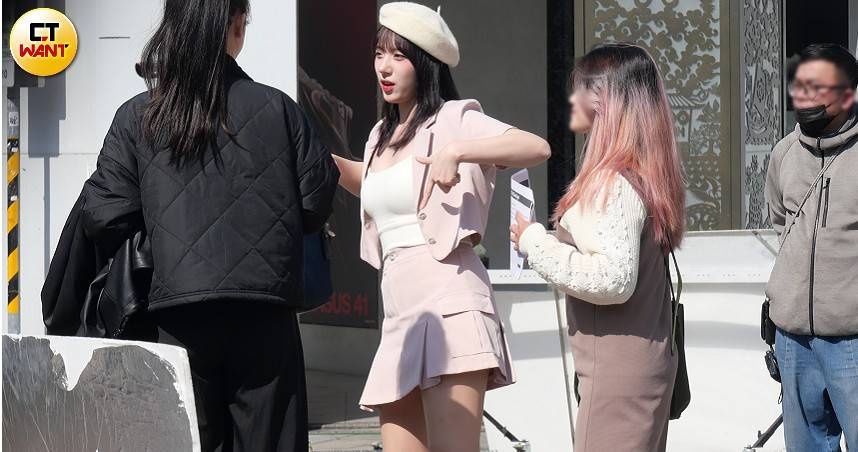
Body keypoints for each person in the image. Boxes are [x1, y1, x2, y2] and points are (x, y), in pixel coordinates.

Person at [72, 0, 339, 450]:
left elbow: (103, 214)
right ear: (236, 24)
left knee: (187, 441)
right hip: (266, 316)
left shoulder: (138, 115)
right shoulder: (279, 109)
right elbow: (316, 205)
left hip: (174, 317)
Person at [331, 3, 550, 451]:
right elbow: (371, 186)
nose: (384, 67)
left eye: (399, 56)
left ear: (425, 63)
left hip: (452, 301)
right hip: (400, 311)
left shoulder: (454, 118)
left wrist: (458, 151)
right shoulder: (378, 136)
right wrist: (315, 158)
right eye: (379, 54)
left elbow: (536, 147)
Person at [511, 43, 685, 452]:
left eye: (583, 87)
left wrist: (533, 240)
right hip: (643, 362)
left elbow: (612, 279)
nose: (572, 97)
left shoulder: (612, 182)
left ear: (608, 101)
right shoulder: (641, 176)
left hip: (617, 374)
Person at [764, 43, 858, 451]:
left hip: (853, 341)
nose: (805, 98)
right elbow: (780, 225)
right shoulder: (784, 153)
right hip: (794, 342)